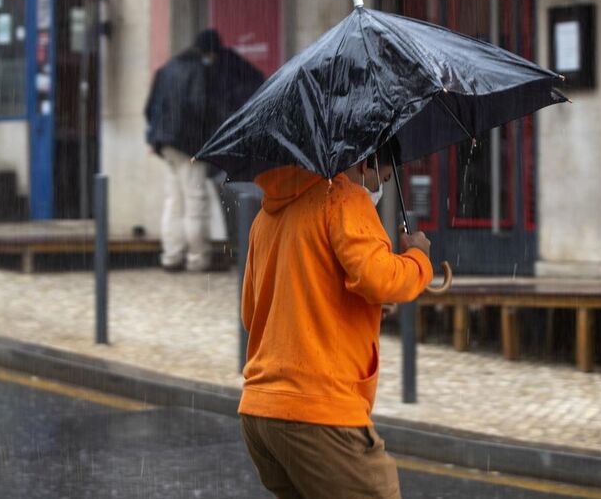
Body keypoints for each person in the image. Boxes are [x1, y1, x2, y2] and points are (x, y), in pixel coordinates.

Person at [239, 140, 432, 499]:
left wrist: (355, 307)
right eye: (381, 178)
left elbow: (255, 314)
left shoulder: (264, 218)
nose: (377, 189)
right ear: (367, 159)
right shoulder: (343, 197)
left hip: (260, 412)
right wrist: (418, 258)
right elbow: (380, 278)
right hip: (320, 413)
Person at [145, 29, 265, 272]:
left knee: (174, 200)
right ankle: (197, 258)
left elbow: (150, 107)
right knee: (194, 201)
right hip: (189, 144)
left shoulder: (168, 68)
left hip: (165, 143)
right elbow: (200, 108)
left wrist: (158, 137)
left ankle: (171, 255)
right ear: (210, 52)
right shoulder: (199, 69)